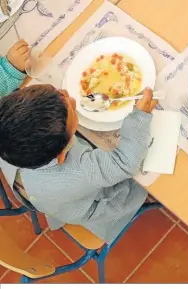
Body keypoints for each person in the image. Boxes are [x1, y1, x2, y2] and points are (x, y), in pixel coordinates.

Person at [0, 85, 157, 244]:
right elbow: (125, 162)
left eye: (59, 94)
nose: (72, 99)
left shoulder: (8, 135)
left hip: (42, 193)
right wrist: (139, 117)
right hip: (97, 207)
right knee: (148, 176)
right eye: (72, 110)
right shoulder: (80, 171)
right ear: (61, 156)